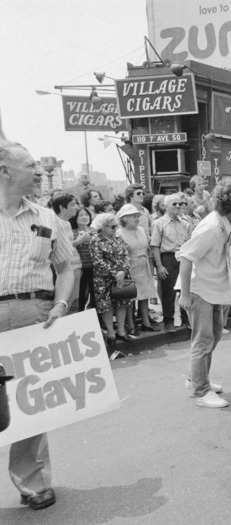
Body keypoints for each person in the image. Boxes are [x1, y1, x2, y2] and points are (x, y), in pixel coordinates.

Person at [0, 129, 74, 510]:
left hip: (35, 313)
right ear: (5, 170)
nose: (38, 170)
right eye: (29, 165)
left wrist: (61, 305)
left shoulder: (46, 217)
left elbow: (66, 268)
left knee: (31, 402)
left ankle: (33, 482)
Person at [179, 180, 231, 408]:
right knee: (203, 341)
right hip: (201, 290)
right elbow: (186, 256)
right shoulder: (211, 227)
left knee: (215, 336)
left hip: (215, 290)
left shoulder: (227, 223)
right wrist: (185, 295)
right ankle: (201, 391)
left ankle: (197, 377)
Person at [90, 213, 133, 350]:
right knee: (106, 305)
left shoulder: (118, 238)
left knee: (122, 302)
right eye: (112, 227)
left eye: (116, 226)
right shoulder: (95, 240)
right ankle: (111, 332)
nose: (115, 229)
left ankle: (121, 330)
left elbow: (127, 255)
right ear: (102, 227)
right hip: (103, 279)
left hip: (121, 277)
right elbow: (97, 261)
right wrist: (115, 273)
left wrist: (123, 271)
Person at [151, 193, 192, 332]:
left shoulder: (185, 223)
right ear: (166, 206)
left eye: (180, 204)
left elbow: (190, 242)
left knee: (185, 289)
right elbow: (155, 246)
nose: (178, 206)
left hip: (183, 257)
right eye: (174, 204)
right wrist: (160, 266)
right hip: (167, 258)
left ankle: (186, 319)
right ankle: (168, 320)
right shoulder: (158, 223)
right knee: (168, 290)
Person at [117, 204, 158, 332]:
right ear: (124, 218)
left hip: (143, 265)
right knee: (130, 297)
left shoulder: (141, 229)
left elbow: (147, 246)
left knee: (145, 294)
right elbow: (121, 253)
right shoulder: (120, 233)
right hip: (130, 267)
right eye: (133, 216)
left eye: (137, 215)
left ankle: (146, 322)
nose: (137, 218)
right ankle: (131, 325)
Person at [49, 192, 83, 307]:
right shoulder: (55, 223)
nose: (76, 207)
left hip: (76, 266)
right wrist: (79, 241)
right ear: (62, 207)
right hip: (64, 269)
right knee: (65, 302)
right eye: (73, 205)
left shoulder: (67, 223)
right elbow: (59, 249)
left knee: (75, 299)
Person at [69, 207, 95, 310]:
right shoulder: (72, 232)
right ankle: (80, 316)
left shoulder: (94, 231)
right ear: (75, 218)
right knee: (80, 295)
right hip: (80, 269)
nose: (85, 217)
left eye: (86, 214)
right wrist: (80, 240)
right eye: (81, 215)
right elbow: (68, 247)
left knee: (94, 295)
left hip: (94, 267)